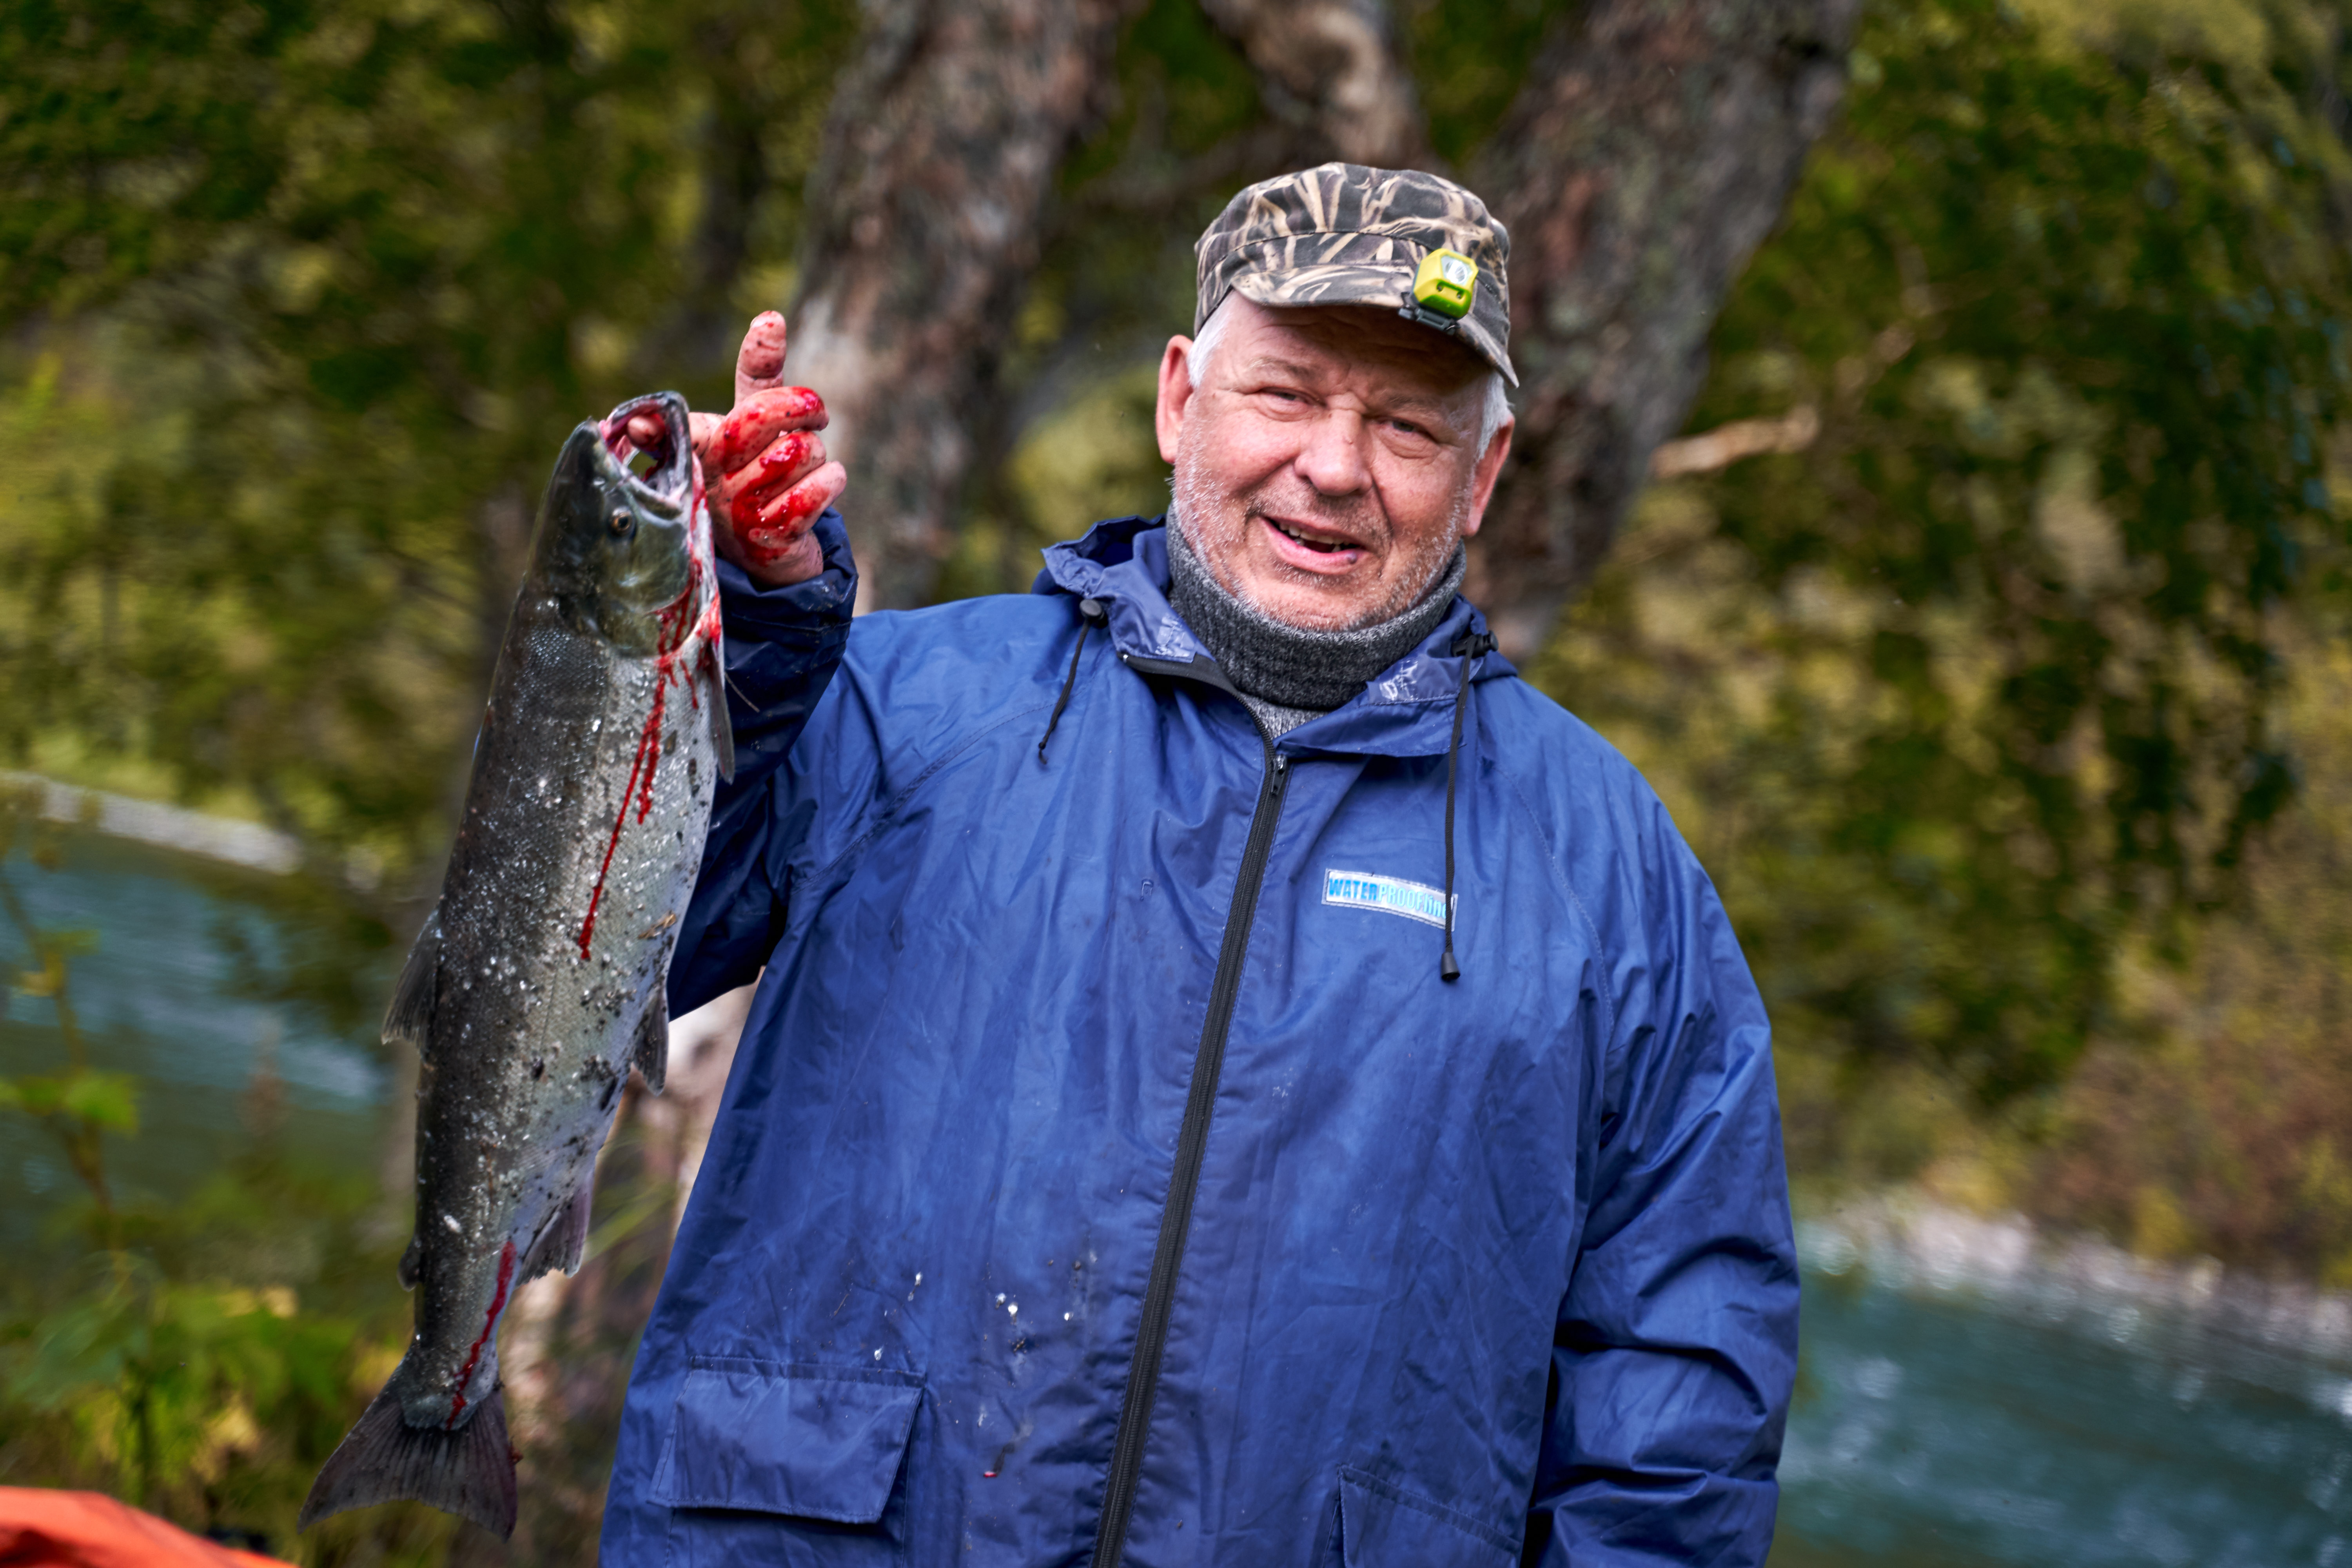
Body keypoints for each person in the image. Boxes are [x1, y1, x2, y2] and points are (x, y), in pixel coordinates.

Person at [601, 163, 1798, 1568]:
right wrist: (745, 629)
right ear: (1181, 400)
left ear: (1482, 478)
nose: (1337, 465)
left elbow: (1678, 1416)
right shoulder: (896, 704)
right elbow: (615, 943)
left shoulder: (1615, 879)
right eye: (1285, 392)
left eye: (1407, 424)